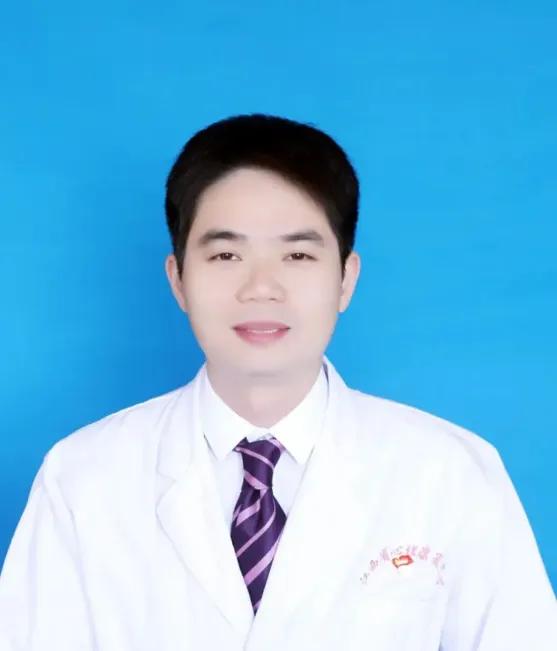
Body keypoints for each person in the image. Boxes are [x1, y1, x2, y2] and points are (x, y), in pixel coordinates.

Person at [0, 114, 555, 651]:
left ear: (345, 279)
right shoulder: (83, 478)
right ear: (178, 279)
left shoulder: (451, 473)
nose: (261, 287)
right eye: (226, 254)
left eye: (297, 254)